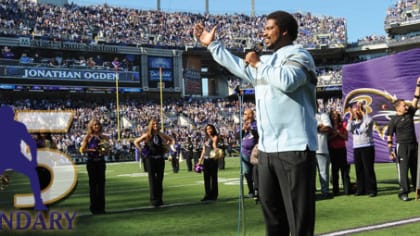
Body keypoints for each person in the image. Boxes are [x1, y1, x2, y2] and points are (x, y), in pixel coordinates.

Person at [194, 10, 318, 235]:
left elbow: (288, 81)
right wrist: (213, 46)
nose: (264, 32)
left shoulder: (300, 55)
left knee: (299, 223)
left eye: (269, 28)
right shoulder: (267, 61)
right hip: (268, 151)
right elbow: (238, 66)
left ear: (284, 30)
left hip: (295, 148)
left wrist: (259, 64)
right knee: (273, 219)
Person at [386, 77, 420, 201]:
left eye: (406, 105)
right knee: (403, 170)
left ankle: (418, 190)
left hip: (414, 145)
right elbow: (389, 136)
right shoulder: (393, 120)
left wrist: (418, 84)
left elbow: (416, 99)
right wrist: (390, 151)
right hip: (402, 147)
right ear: (397, 108)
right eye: (403, 106)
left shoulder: (409, 113)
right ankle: (404, 192)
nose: (406, 107)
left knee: (416, 169)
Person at [133, 118, 174, 207]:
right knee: (152, 179)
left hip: (160, 159)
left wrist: (166, 146)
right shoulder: (147, 135)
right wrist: (142, 151)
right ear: (151, 126)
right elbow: (136, 142)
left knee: (160, 179)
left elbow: (171, 140)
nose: (156, 126)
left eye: (157, 124)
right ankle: (153, 200)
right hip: (150, 159)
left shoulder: (161, 134)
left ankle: (160, 199)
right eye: (154, 124)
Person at [346, 102, 377, 197]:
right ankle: (360, 189)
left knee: (368, 169)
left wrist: (363, 112)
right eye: (355, 112)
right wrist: (351, 116)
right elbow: (348, 128)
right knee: (358, 169)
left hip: (367, 146)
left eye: (357, 112)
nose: (356, 114)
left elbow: (369, 121)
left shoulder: (367, 120)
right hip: (357, 147)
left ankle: (372, 190)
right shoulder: (354, 123)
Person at [80, 118, 110, 214]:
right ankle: (94, 208)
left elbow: (106, 152)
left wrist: (104, 150)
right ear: (91, 127)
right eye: (94, 125)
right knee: (93, 186)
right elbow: (82, 150)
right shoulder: (88, 137)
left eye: (98, 124)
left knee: (101, 185)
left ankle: (101, 208)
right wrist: (92, 150)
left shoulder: (104, 137)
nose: (96, 126)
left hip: (101, 162)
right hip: (91, 162)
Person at [328, 110, 352, 195]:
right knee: (335, 171)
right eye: (333, 115)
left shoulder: (342, 125)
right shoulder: (329, 127)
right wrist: (334, 135)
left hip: (342, 149)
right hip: (333, 150)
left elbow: (346, 137)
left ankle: (347, 190)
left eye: (336, 115)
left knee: (344, 170)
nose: (335, 117)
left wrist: (338, 134)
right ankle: (335, 190)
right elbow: (328, 139)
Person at [238, 108, 259, 198]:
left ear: (251, 114)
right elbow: (237, 136)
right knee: (247, 173)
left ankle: (257, 190)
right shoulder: (243, 124)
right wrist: (243, 129)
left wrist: (251, 129)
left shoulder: (256, 123)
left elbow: (258, 135)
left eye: (246, 114)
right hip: (245, 152)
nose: (244, 115)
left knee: (256, 173)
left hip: (254, 152)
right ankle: (251, 190)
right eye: (244, 114)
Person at [198, 124, 220, 201]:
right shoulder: (205, 138)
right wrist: (200, 160)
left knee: (213, 178)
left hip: (213, 159)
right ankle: (207, 194)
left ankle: (214, 195)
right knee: (206, 178)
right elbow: (204, 150)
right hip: (206, 160)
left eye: (210, 128)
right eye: (207, 129)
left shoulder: (215, 136)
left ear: (213, 129)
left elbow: (214, 145)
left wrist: (216, 150)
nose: (209, 130)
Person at [316, 106, 332, 198]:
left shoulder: (323, 115)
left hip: (321, 147)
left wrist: (315, 127)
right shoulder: (306, 114)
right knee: (309, 174)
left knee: (323, 172)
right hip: (308, 148)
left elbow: (328, 129)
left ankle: (325, 192)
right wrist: (319, 125)